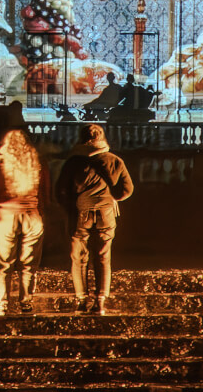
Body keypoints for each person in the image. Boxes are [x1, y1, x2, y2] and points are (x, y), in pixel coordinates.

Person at [54, 122, 134, 315]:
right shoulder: (115, 161)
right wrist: (112, 198)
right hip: (106, 214)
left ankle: (81, 298)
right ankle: (100, 300)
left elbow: (60, 191)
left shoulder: (73, 162)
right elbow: (128, 190)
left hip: (80, 213)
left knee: (78, 257)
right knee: (103, 257)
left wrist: (71, 206)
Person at [0, 127, 45, 315]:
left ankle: (1, 304)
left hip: (6, 216)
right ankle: (26, 302)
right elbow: (46, 193)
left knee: (3, 264)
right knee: (29, 265)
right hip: (32, 215)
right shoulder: (37, 163)